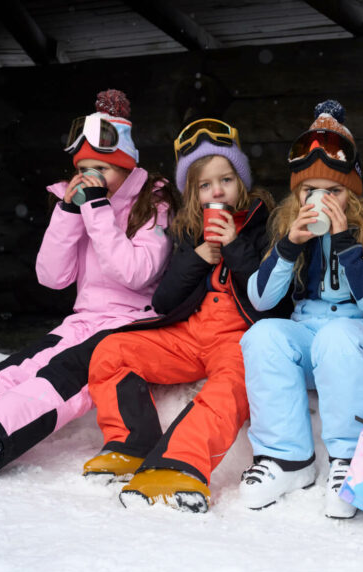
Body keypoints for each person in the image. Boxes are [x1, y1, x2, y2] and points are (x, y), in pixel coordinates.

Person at [0, 90, 178, 479]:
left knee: (59, 379)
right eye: (85, 168)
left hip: (128, 327)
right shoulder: (82, 205)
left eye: (104, 168)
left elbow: (135, 273)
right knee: (15, 368)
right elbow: (52, 277)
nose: (92, 178)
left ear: (128, 167)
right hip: (84, 320)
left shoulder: (153, 207)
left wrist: (97, 209)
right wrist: (68, 212)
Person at [85, 117, 285, 513]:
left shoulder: (267, 224)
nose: (217, 191)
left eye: (225, 180)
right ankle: (131, 443)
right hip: (191, 334)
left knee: (232, 385)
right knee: (112, 350)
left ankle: (180, 465)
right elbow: (164, 301)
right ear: (193, 194)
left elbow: (274, 303)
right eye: (205, 185)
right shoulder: (188, 230)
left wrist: (235, 247)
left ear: (241, 181)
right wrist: (197, 257)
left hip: (240, 338)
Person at [237, 100, 363, 519]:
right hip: (306, 331)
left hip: (354, 335)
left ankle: (348, 458)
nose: (322, 200)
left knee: (336, 337)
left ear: (352, 191)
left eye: (335, 191)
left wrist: (346, 243)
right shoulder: (289, 226)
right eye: (311, 191)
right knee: (263, 335)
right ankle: (286, 459)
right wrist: (289, 245)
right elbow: (261, 299)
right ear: (297, 193)